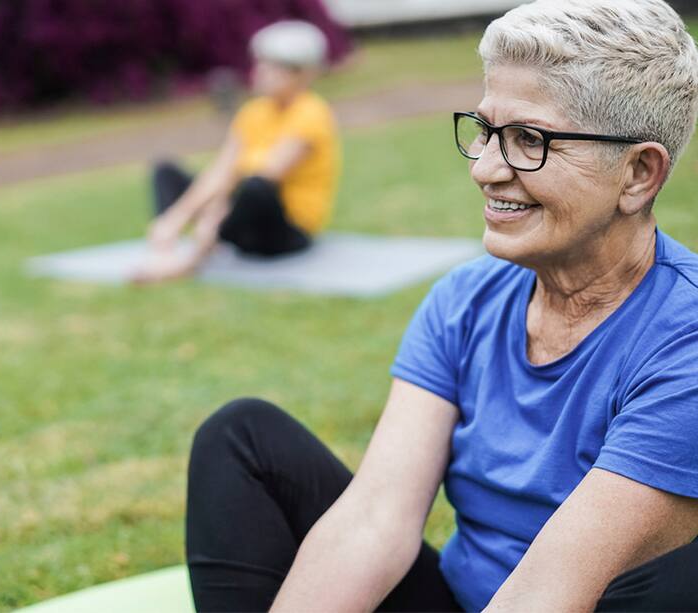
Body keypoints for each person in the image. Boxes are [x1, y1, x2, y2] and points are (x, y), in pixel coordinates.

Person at [185, 0, 698, 611]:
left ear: (638, 173)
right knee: (241, 436)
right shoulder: (465, 300)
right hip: (462, 600)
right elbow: (375, 520)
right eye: (485, 130)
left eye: (529, 140)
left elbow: (548, 594)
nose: (485, 169)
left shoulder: (684, 340)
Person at [130, 20, 340, 284]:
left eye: (274, 67)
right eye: (261, 63)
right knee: (165, 171)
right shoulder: (253, 112)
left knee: (256, 187)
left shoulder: (312, 114)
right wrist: (176, 218)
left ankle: (193, 260)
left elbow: (263, 177)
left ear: (302, 74)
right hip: (238, 216)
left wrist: (213, 216)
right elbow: (223, 170)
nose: (261, 72)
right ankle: (168, 248)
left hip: (282, 231)